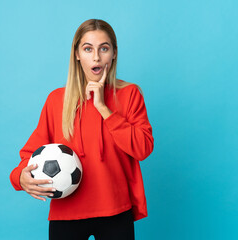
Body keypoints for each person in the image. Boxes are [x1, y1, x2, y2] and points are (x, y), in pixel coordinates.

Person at [10, 19, 154, 240]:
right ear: (77, 54)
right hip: (66, 213)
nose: (96, 57)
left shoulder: (130, 94)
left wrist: (104, 109)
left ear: (114, 53)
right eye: (88, 49)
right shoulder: (57, 100)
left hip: (116, 211)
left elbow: (143, 149)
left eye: (103, 48)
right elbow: (31, 152)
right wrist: (20, 177)